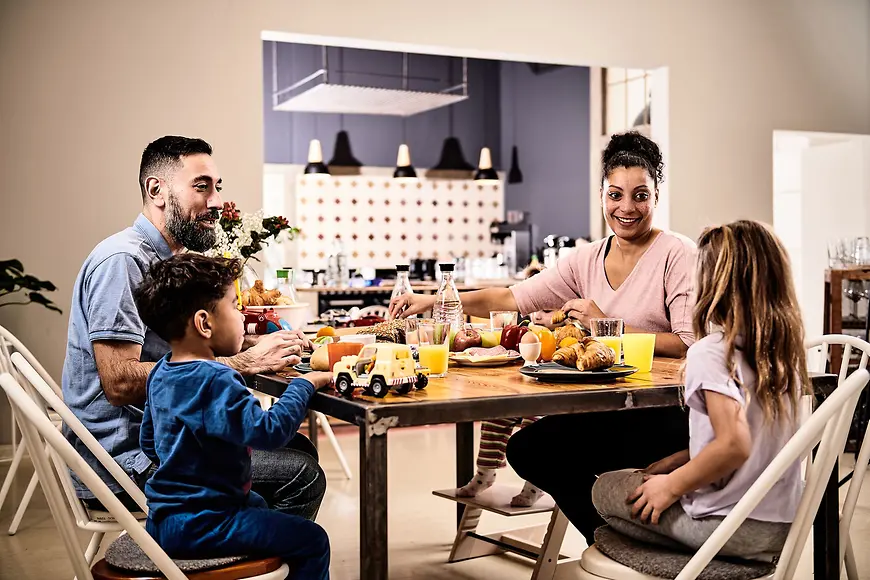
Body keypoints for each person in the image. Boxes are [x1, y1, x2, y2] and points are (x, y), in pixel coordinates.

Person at [390, 131, 696, 542]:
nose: (626, 208)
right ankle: (608, 540)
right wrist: (433, 299)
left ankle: (618, 542)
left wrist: (606, 324)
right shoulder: (587, 257)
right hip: (606, 404)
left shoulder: (678, 253)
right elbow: (511, 297)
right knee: (528, 449)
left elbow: (687, 342)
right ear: (602, 195)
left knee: (545, 450)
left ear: (656, 197)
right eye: (615, 194)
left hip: (662, 410)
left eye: (640, 196)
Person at [61, 136, 324, 520]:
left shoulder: (168, 260)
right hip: (126, 461)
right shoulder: (123, 261)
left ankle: (237, 538)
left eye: (217, 187)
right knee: (301, 474)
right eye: (202, 187)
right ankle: (223, 546)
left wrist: (250, 342)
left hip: (163, 437)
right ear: (157, 190)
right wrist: (244, 363)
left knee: (299, 448)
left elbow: (180, 349)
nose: (217, 201)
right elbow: (118, 382)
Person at [591, 220, 808, 562]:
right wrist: (682, 460)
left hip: (729, 527)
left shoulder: (710, 352)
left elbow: (734, 445)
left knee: (605, 487)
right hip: (783, 524)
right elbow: (758, 438)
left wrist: (672, 486)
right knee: (645, 483)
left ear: (711, 284)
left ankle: (669, 558)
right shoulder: (782, 354)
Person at [134, 254, 332, 577]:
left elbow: (149, 442)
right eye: (235, 306)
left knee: (258, 505)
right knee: (313, 540)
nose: (242, 316)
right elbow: (270, 431)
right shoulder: (216, 379)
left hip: (164, 520)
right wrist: (304, 385)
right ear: (204, 323)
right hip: (208, 523)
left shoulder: (160, 372)